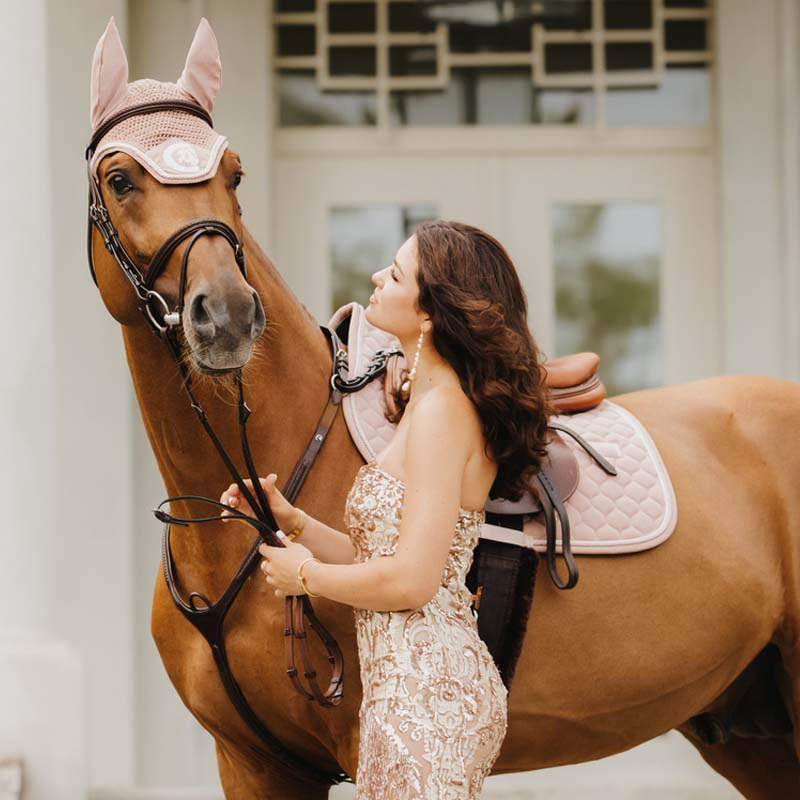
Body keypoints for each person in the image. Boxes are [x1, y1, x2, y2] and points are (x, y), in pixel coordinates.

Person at [220, 220, 553, 799]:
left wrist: (305, 576)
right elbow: (383, 555)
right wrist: (293, 520)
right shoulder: (429, 405)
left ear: (428, 314)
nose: (377, 277)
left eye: (396, 274)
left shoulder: (441, 413)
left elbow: (413, 580)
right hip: (403, 694)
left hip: (429, 696)